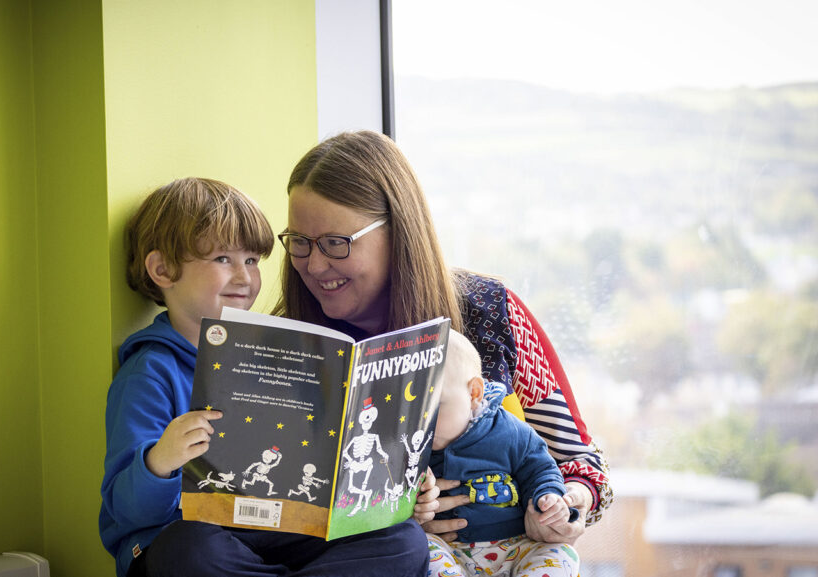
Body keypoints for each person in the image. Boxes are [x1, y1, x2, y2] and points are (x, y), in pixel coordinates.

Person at [271, 130, 612, 562]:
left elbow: (583, 466)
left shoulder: (494, 313)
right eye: (299, 242)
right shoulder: (285, 344)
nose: (315, 265)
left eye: (336, 244)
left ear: (398, 232)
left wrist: (565, 507)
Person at [99, 177, 430, 577]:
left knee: (404, 540)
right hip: (189, 537)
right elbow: (124, 511)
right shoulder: (150, 372)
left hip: (271, 525)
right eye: (223, 259)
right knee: (188, 549)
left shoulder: (268, 350)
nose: (245, 277)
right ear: (163, 269)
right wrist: (160, 462)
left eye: (252, 260)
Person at [427, 329, 580, 577]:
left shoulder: (510, 432)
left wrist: (548, 497)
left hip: (517, 547)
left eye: (434, 406)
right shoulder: (410, 443)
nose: (423, 421)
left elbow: (541, 469)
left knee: (561, 554)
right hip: (449, 553)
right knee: (421, 549)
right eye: (414, 409)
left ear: (474, 393)